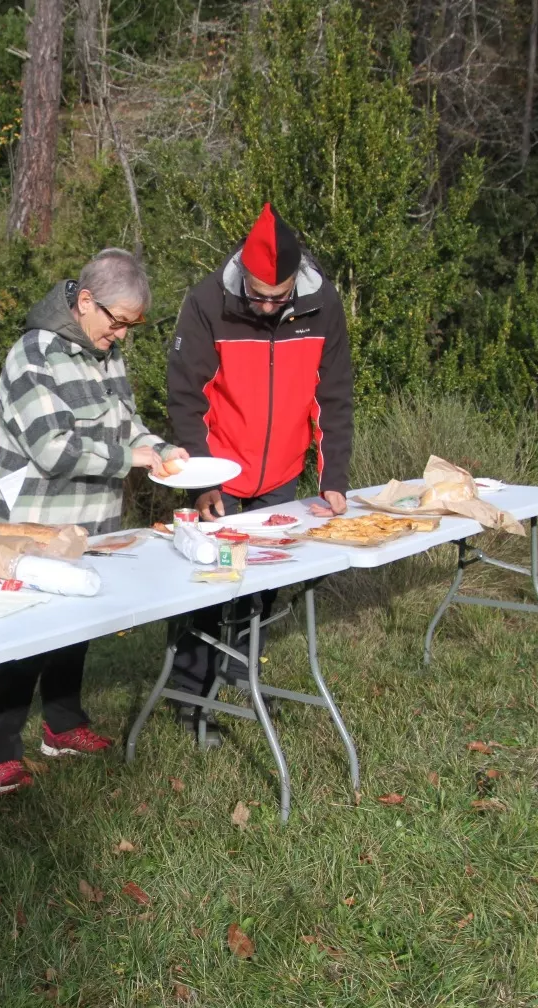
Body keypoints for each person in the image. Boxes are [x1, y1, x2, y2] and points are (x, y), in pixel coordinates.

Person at [0, 249, 188, 794]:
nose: (121, 334)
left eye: (131, 326)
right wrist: (132, 460)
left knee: (79, 626)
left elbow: (126, 424)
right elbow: (51, 448)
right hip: (35, 527)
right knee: (27, 634)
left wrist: (163, 449)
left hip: (94, 522)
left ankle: (63, 724)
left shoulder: (106, 353)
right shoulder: (31, 355)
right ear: (86, 302)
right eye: (118, 321)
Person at [163, 203, 354, 713]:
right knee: (206, 583)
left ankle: (241, 678)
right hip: (218, 470)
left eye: (278, 297)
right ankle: (188, 693)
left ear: (295, 280)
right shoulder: (208, 301)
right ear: (242, 273)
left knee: (264, 583)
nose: (267, 307)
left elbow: (332, 395)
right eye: (258, 295)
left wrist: (333, 476)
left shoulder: (323, 303)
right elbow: (187, 396)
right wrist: (202, 478)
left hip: (282, 474)